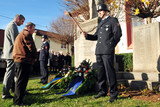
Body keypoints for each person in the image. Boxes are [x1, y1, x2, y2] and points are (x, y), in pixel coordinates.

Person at [83, 4, 122, 103]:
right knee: (100, 73)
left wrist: (111, 45)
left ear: (105, 11)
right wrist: (87, 36)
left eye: (100, 10)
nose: (99, 12)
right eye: (98, 11)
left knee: (110, 72)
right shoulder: (100, 23)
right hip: (99, 51)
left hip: (107, 51)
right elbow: (96, 36)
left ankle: (113, 94)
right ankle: (102, 91)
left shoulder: (113, 20)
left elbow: (118, 34)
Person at [12, 22, 37, 106]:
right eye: (33, 29)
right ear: (29, 27)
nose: (33, 31)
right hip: (23, 60)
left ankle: (18, 99)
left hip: (20, 60)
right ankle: (18, 101)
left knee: (20, 81)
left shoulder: (21, 34)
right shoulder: (26, 34)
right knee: (21, 81)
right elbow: (31, 47)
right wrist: (35, 56)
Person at [2, 14, 25, 99]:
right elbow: (16, 41)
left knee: (13, 73)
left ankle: (14, 89)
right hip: (11, 54)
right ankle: (5, 94)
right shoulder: (13, 25)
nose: (22, 24)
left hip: (11, 53)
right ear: (18, 19)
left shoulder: (11, 25)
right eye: (22, 21)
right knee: (9, 73)